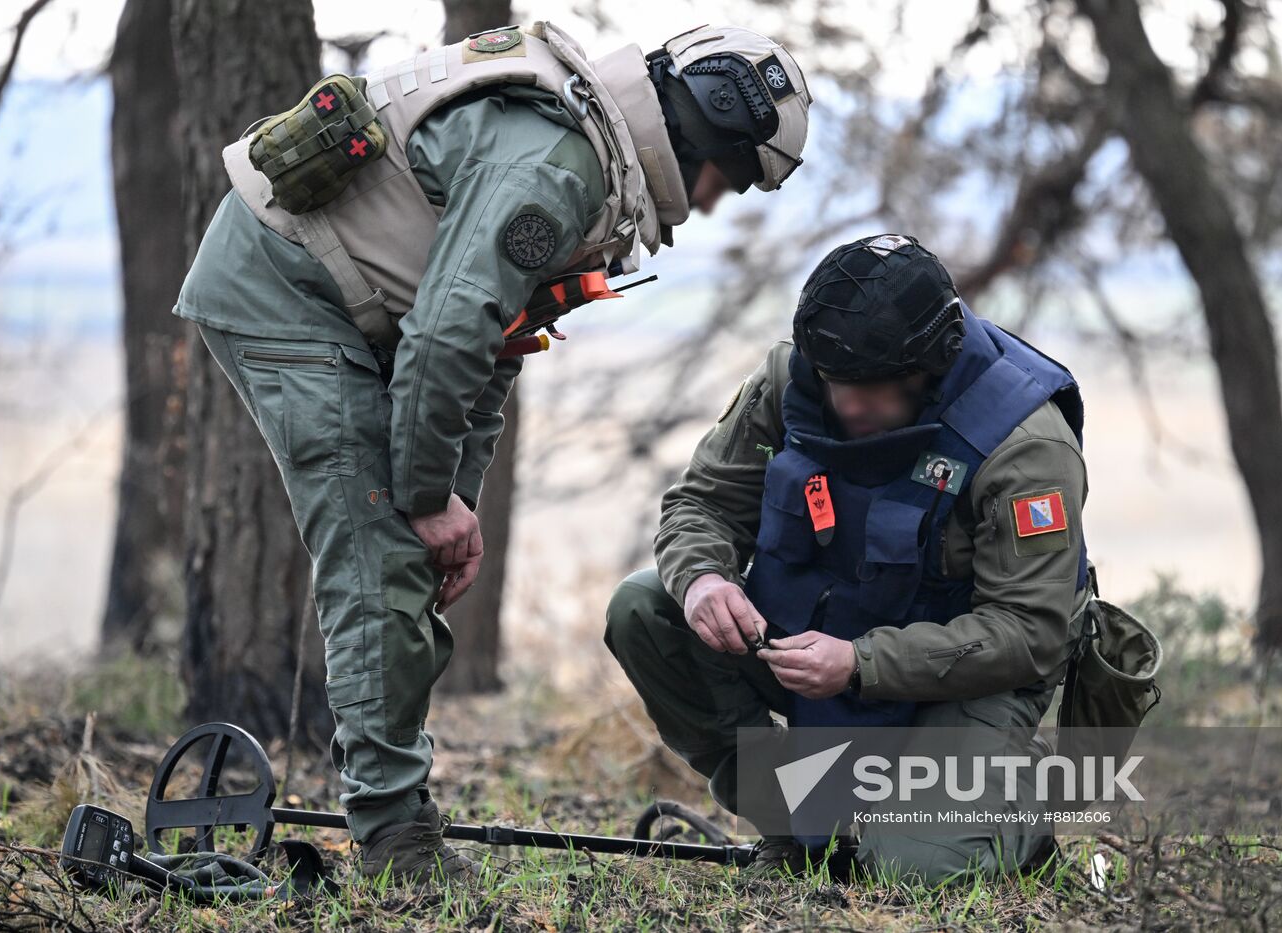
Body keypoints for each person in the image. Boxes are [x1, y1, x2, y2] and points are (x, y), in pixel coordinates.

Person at [172, 21, 811, 885]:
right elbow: (443, 337)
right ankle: (396, 840)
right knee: (380, 555)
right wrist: (427, 499)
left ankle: (393, 807)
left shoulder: (593, 158)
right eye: (727, 178)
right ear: (704, 131)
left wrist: (454, 503)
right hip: (287, 286)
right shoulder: (560, 166)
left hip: (363, 303)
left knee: (413, 550)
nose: (711, 203)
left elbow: (496, 344)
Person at [604, 234, 1090, 882]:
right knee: (645, 609)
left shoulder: (1025, 445)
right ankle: (801, 824)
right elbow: (703, 502)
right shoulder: (796, 378)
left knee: (908, 869)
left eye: (873, 389)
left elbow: (1030, 632)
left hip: (964, 672)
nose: (847, 405)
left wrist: (861, 664)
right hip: (817, 639)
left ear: (933, 361)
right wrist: (703, 579)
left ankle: (1016, 806)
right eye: (836, 384)